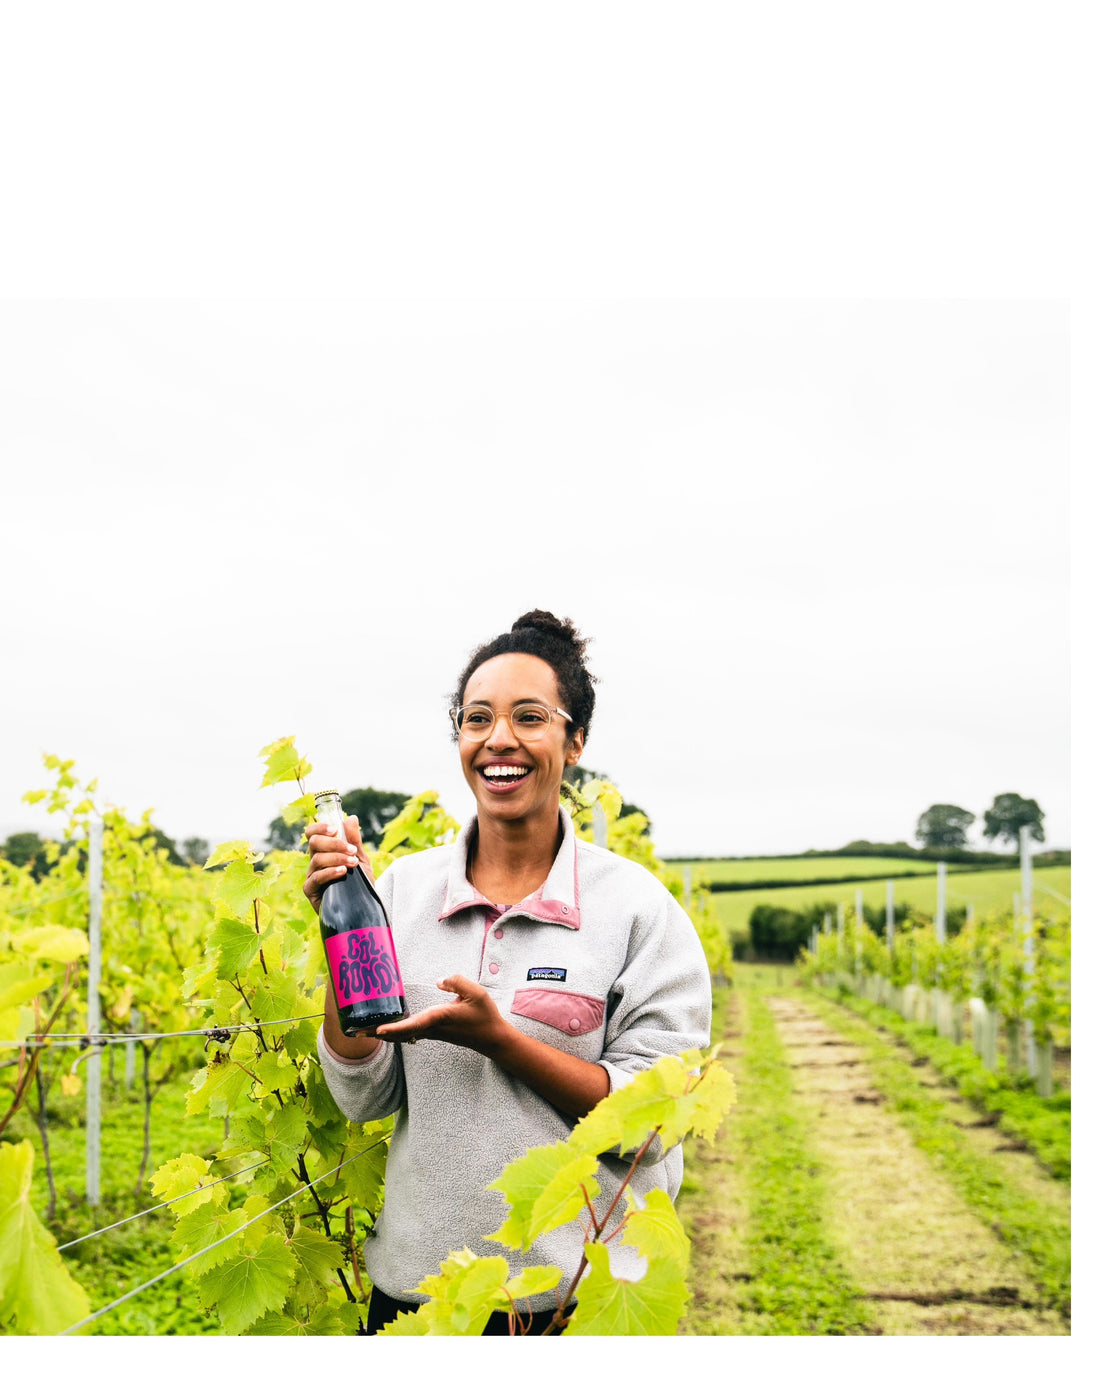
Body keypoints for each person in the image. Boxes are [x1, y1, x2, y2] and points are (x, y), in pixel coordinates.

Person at [305, 610, 712, 1335]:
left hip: (578, 1301)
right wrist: (342, 930)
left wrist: (502, 1040)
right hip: (419, 1298)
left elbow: (651, 1122)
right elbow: (362, 1097)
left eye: (530, 717)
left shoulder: (638, 910)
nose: (499, 739)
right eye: (477, 718)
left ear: (575, 739)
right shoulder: (397, 891)